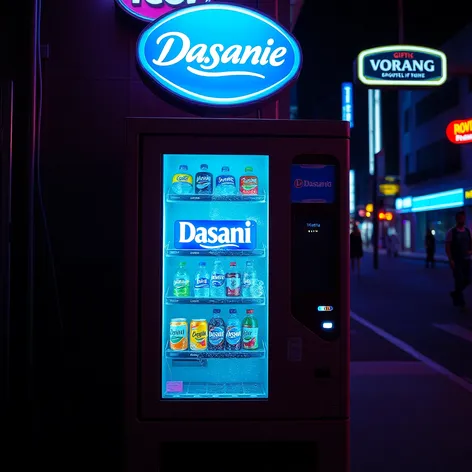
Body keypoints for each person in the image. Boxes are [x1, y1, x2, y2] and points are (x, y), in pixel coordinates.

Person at [445, 211, 472, 309]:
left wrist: (470, 251)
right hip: (457, 260)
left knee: (468, 280)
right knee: (459, 281)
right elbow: (447, 247)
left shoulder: (467, 231)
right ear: (457, 219)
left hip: (467, 260)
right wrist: (451, 260)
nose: (462, 220)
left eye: (463, 218)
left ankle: (455, 293)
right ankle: (461, 303)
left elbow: (470, 243)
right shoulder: (451, 232)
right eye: (460, 218)